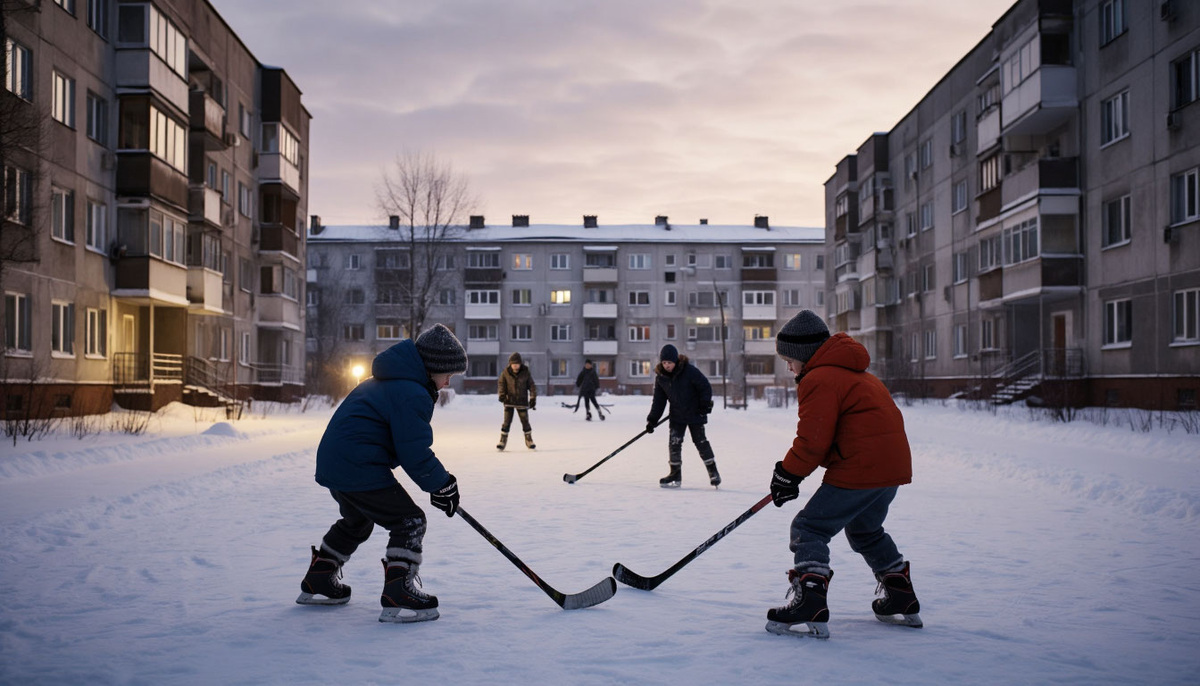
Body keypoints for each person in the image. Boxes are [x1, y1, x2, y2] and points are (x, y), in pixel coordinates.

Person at [765, 310, 921, 639]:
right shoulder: (859, 375)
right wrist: (791, 476)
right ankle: (901, 595)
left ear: (803, 356)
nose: (789, 367)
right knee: (865, 531)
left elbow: (813, 441)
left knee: (809, 528)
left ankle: (810, 601)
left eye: (789, 359)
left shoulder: (819, 379)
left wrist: (786, 475)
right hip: (890, 469)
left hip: (862, 467)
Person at [296, 323, 467, 624]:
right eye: (448, 373)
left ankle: (319, 579)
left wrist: (438, 487)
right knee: (409, 521)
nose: (449, 380)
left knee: (358, 521)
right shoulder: (410, 391)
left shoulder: (393, 380)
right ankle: (398, 592)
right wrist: (442, 485)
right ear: (434, 367)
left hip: (338, 462)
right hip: (358, 464)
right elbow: (413, 451)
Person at [645, 344, 720, 488]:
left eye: (670, 363)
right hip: (677, 415)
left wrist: (704, 404)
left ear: (676, 361)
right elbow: (659, 401)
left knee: (700, 442)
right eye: (664, 363)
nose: (667, 366)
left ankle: (713, 472)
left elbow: (705, 386)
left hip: (695, 413)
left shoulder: (689, 371)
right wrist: (652, 420)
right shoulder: (661, 378)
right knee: (674, 443)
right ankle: (675, 474)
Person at [497, 351, 537, 450]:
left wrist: (532, 398)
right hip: (509, 401)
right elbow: (501, 384)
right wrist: (502, 395)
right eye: (513, 364)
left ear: (520, 364)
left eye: (517, 364)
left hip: (521, 401)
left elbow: (532, 386)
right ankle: (502, 440)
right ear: (510, 364)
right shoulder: (505, 373)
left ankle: (529, 440)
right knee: (506, 422)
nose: (515, 366)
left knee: (525, 421)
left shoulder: (525, 372)